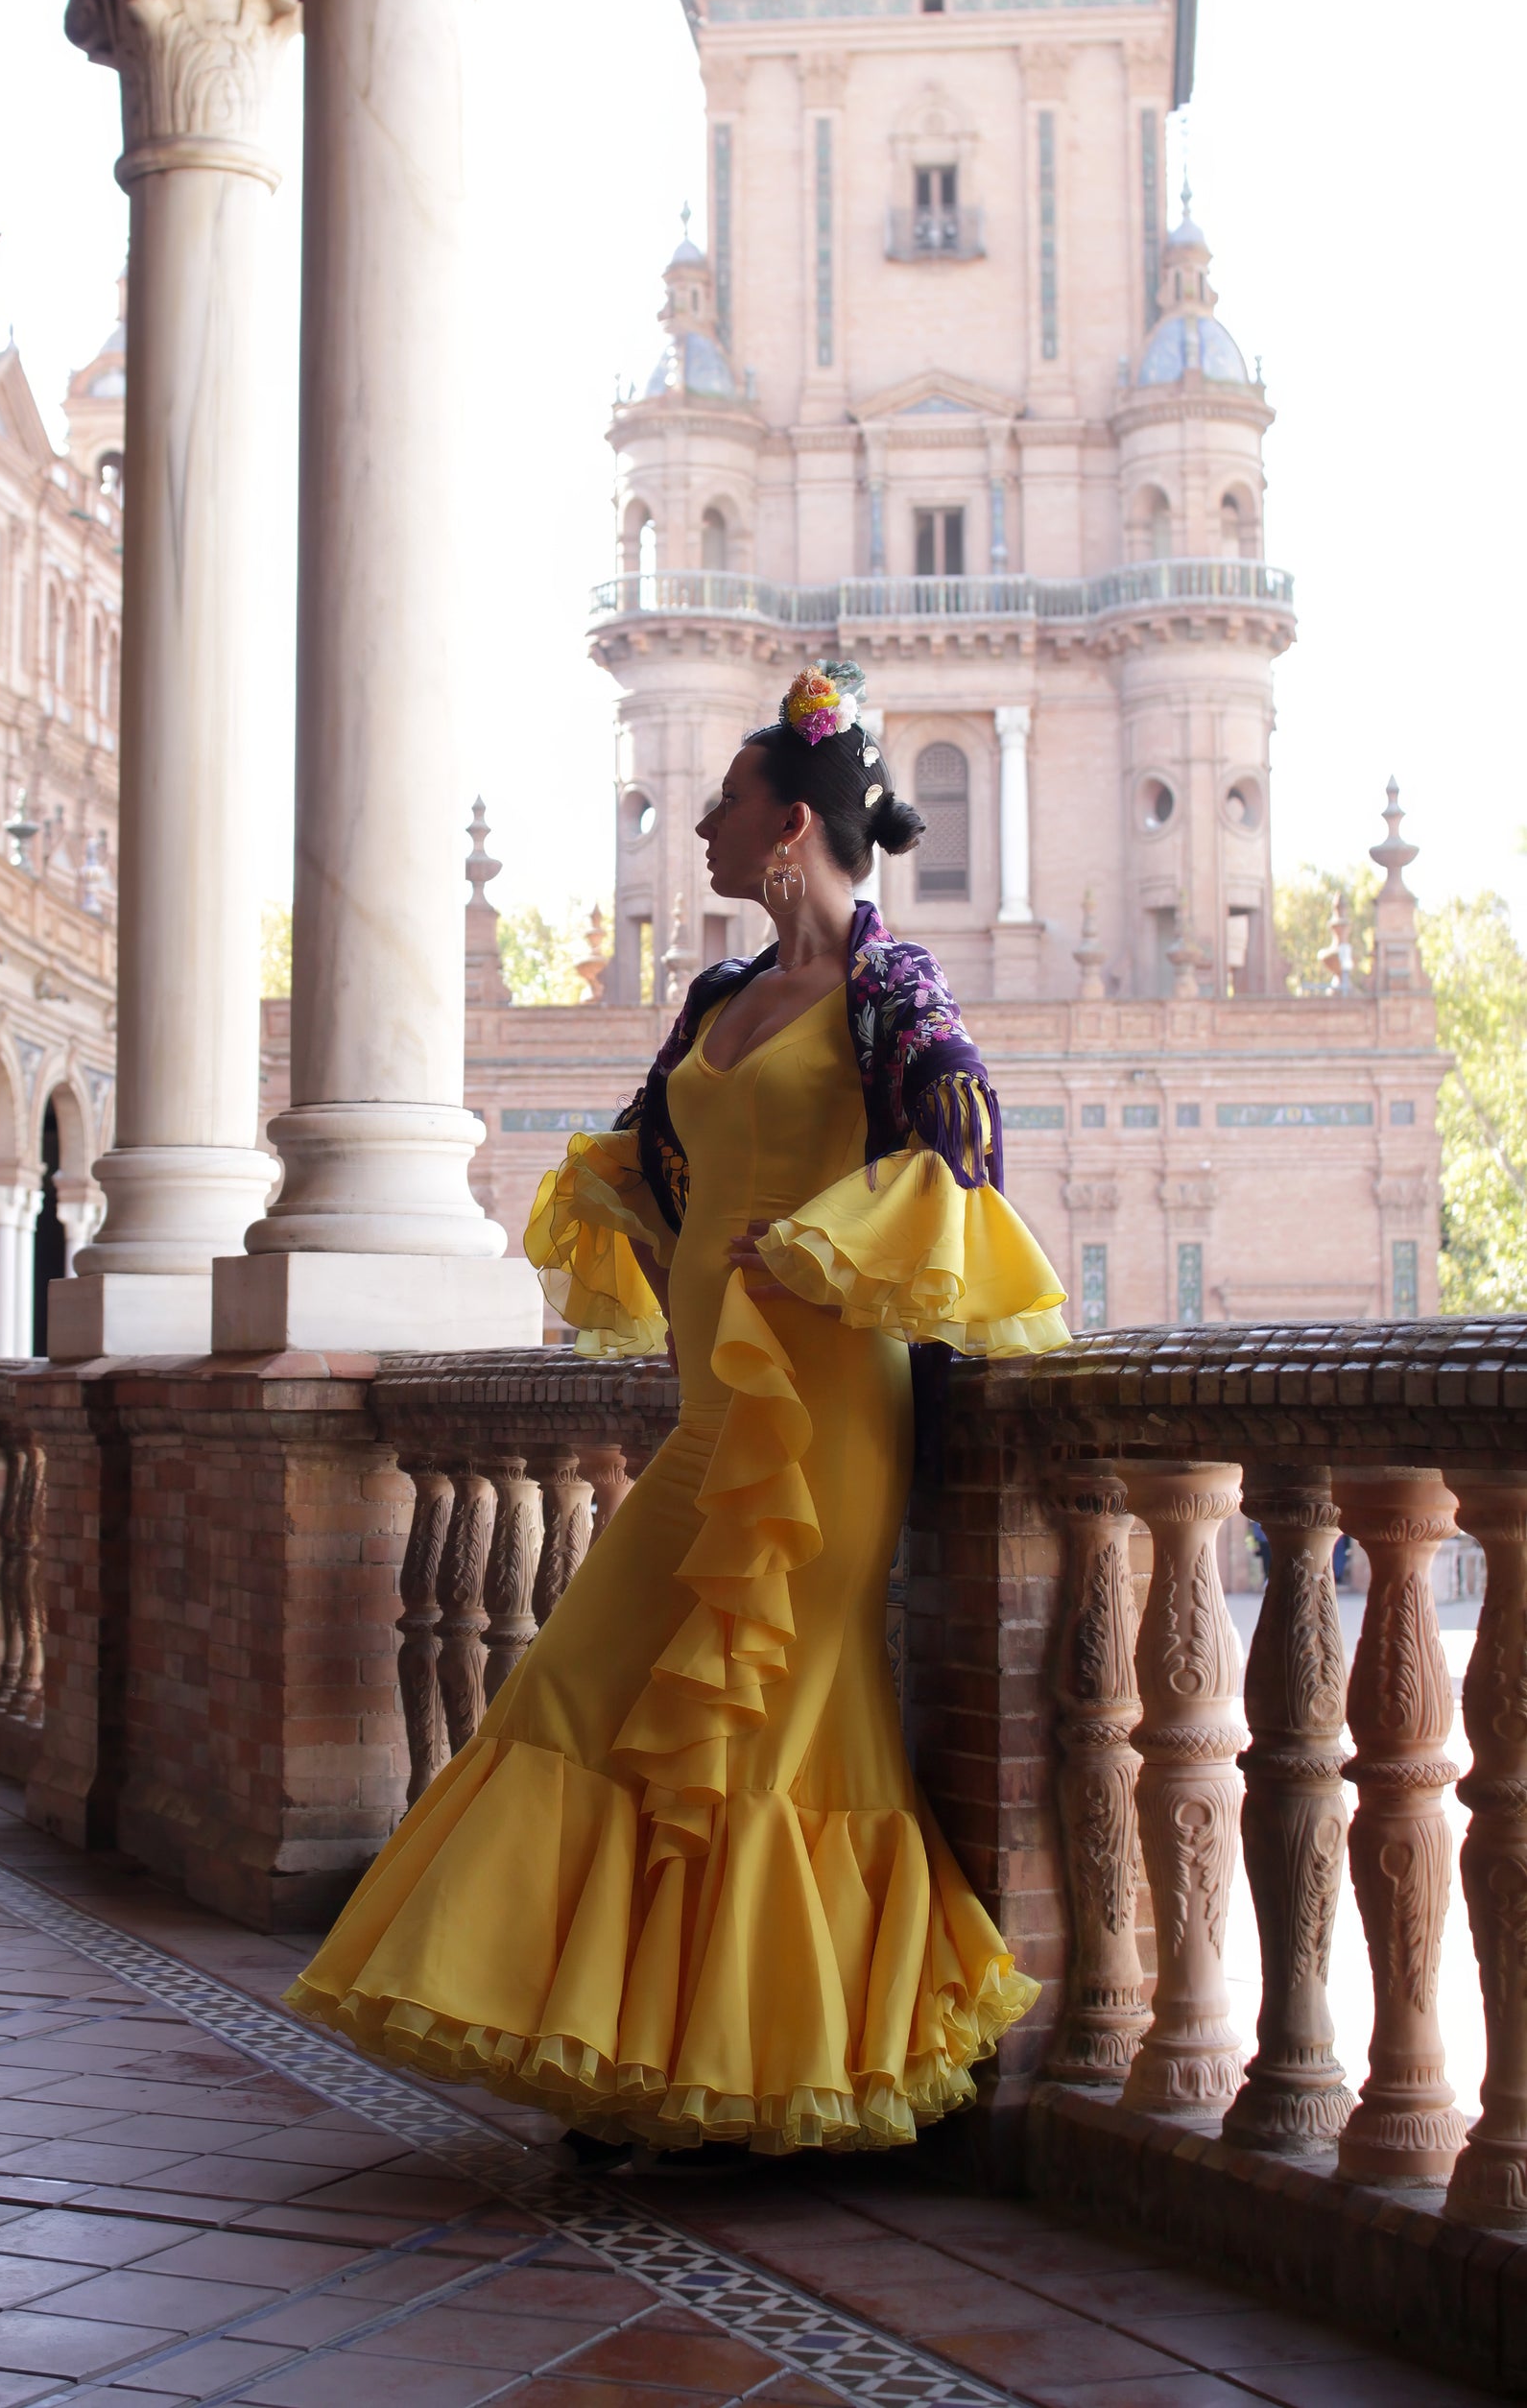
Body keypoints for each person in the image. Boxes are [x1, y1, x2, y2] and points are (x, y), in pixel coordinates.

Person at [287, 662, 1069, 2158]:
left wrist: (821, 1245)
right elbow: (651, 1162)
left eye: (721, 801)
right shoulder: (718, 993)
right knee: (579, 1684)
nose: (699, 822)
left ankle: (746, 2079)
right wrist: (660, 1243)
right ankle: (640, 2051)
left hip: (826, 1417)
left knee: (767, 1728)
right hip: (711, 1410)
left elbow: (960, 1140)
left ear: (790, 824)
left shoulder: (890, 985)